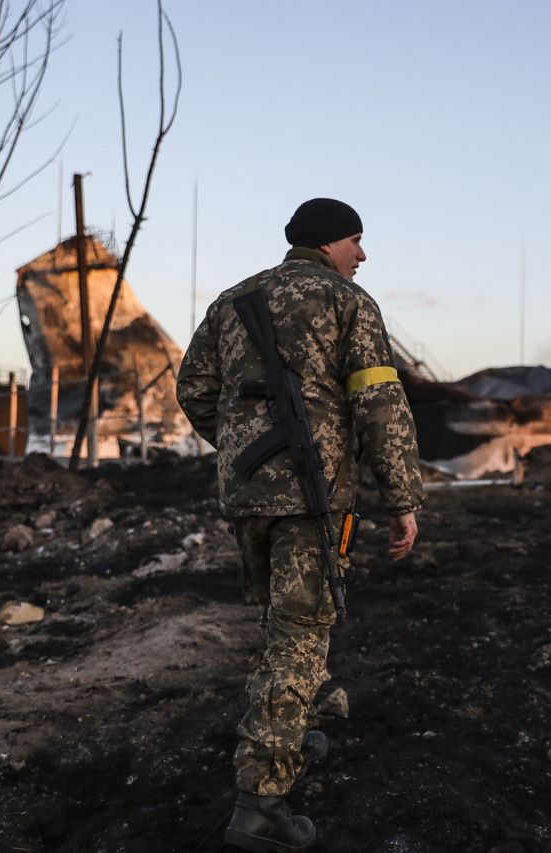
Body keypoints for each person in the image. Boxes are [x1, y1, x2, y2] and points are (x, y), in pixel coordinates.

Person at [177, 197, 424, 852]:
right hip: (312, 504)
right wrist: (402, 498)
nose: (362, 255)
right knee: (299, 636)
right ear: (328, 244)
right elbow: (379, 401)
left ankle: (300, 722)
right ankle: (261, 803)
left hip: (250, 499)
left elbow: (194, 389)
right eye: (356, 241)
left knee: (287, 624)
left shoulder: (234, 299)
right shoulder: (349, 302)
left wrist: (241, 449)